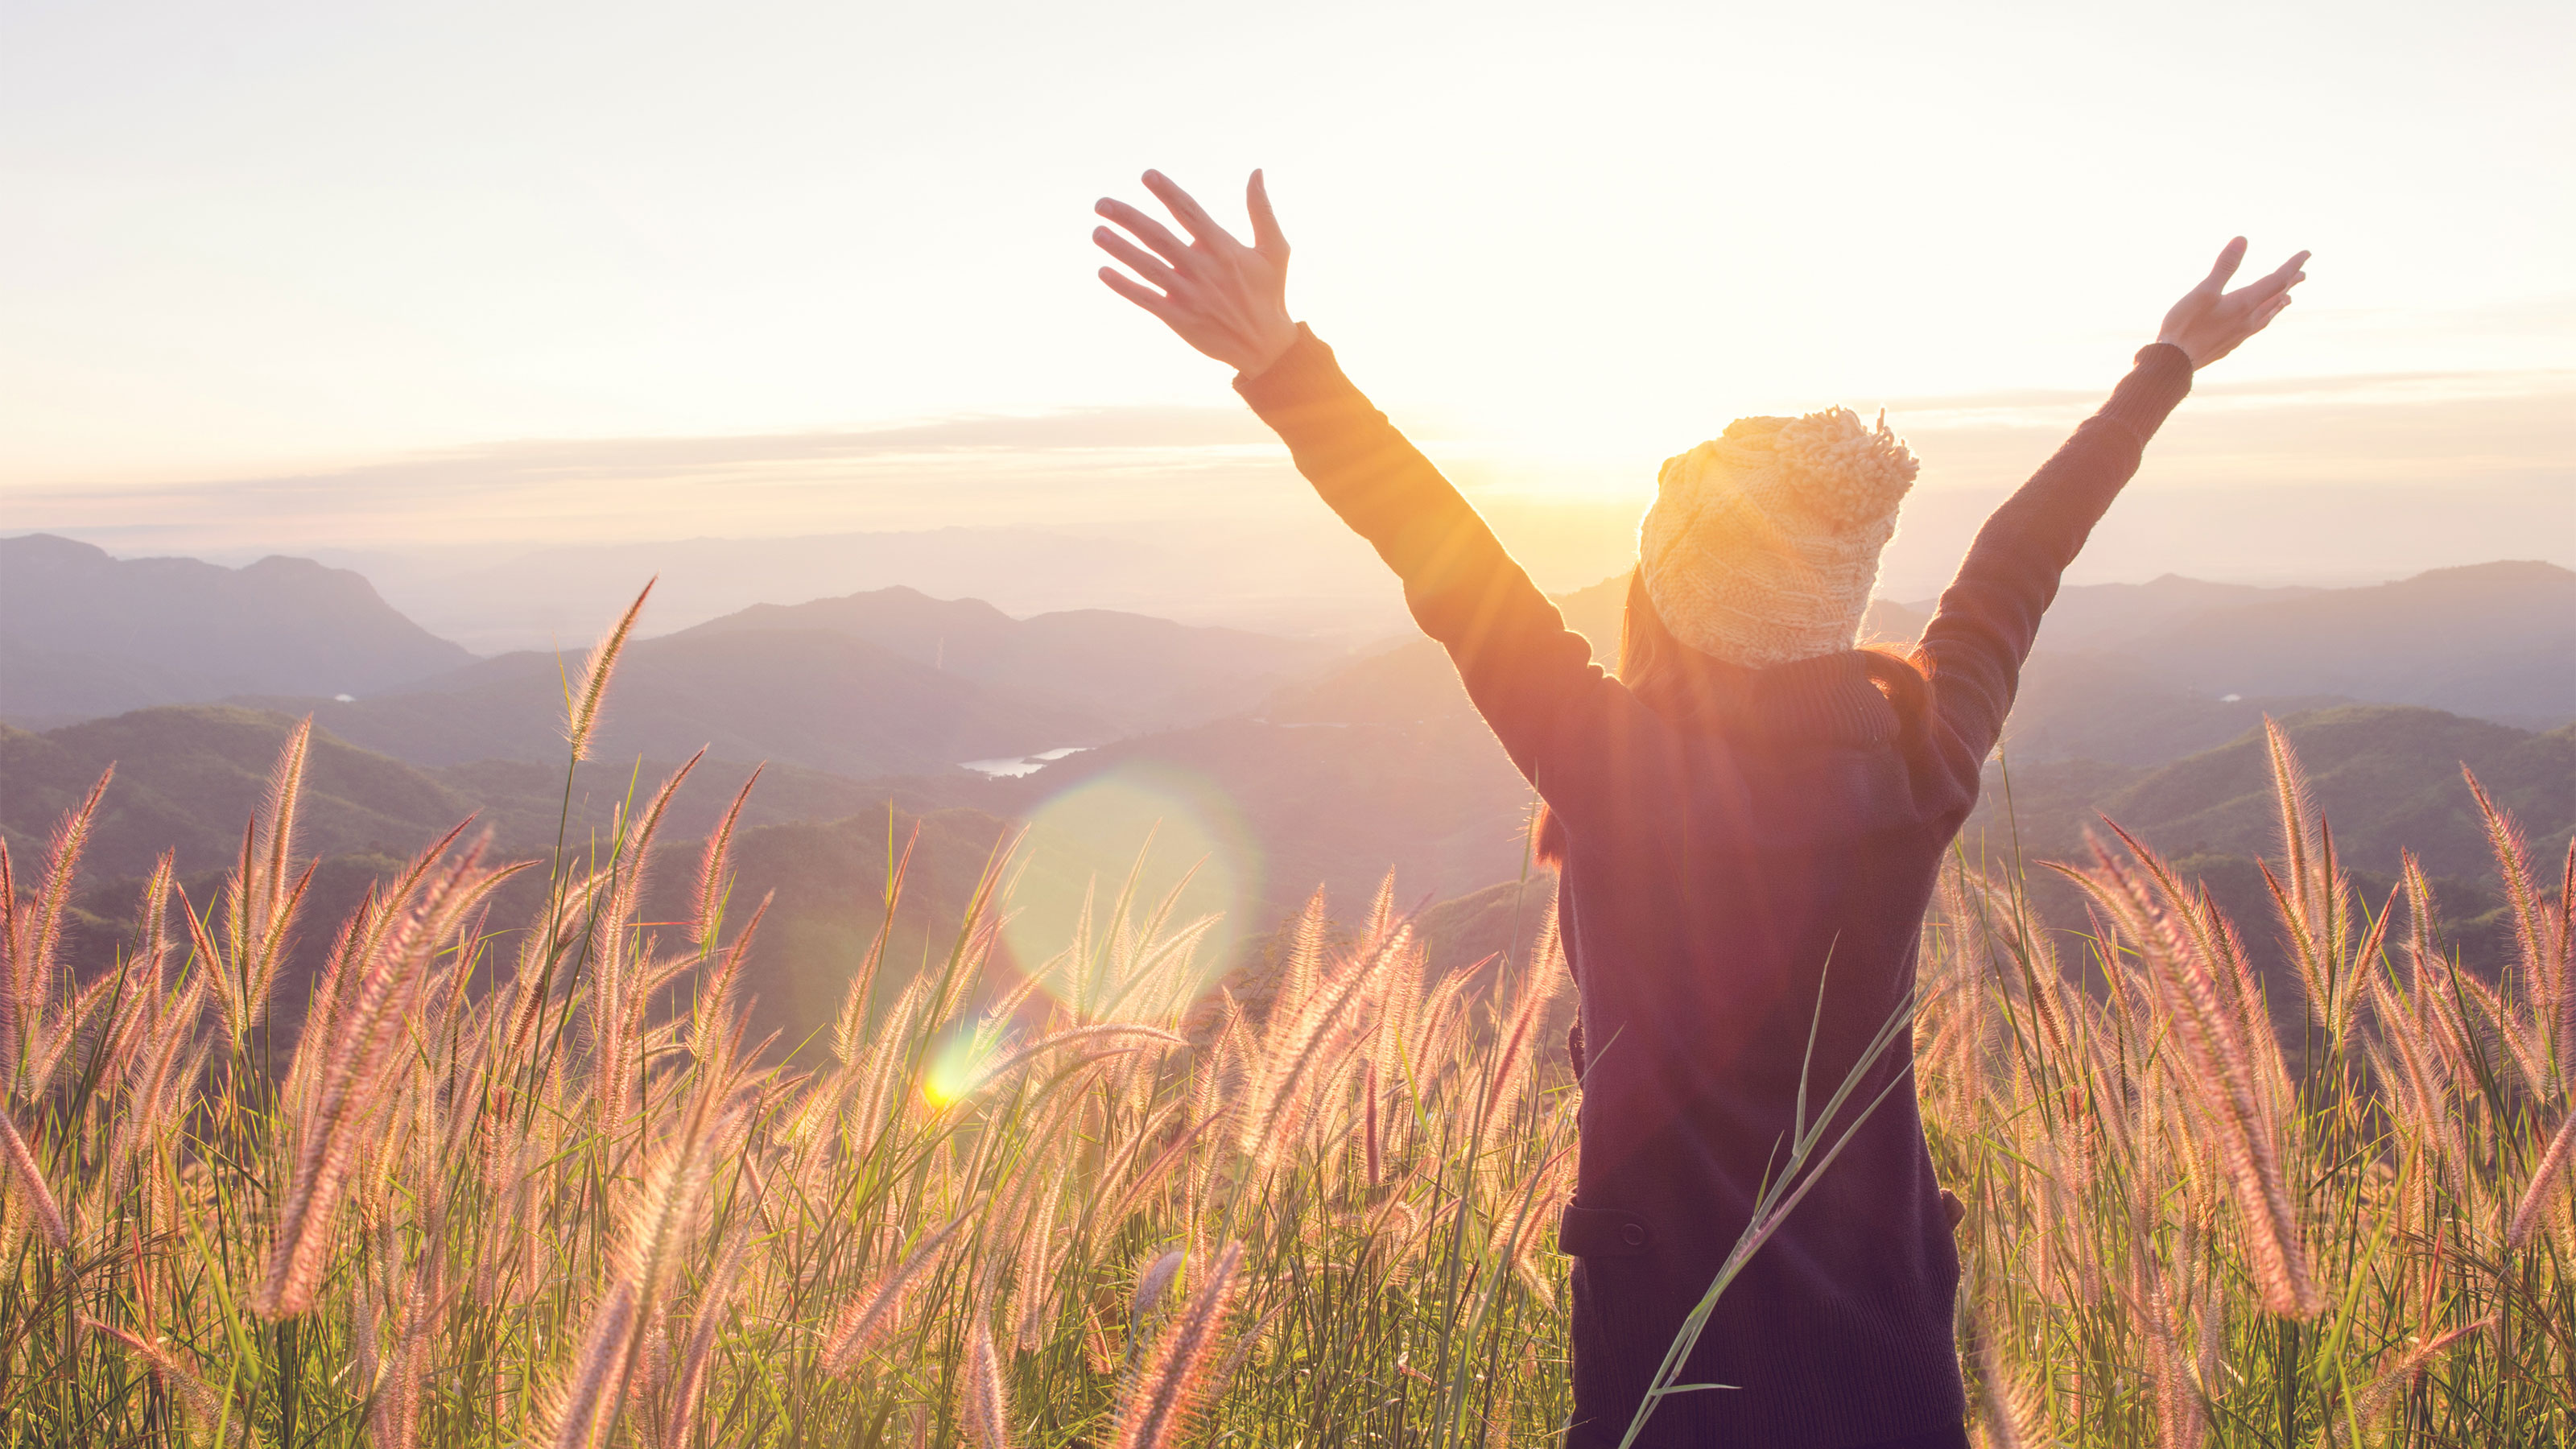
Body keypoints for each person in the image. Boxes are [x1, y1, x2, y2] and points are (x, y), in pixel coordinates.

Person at [1092, 169, 2306, 1449]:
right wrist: (2167, 361)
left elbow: (1441, 553)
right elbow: (2021, 558)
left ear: (1663, 592)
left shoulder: (1616, 767)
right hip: (1892, 1379)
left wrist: (1283, 361)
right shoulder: (1923, 758)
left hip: (1670, 1382)